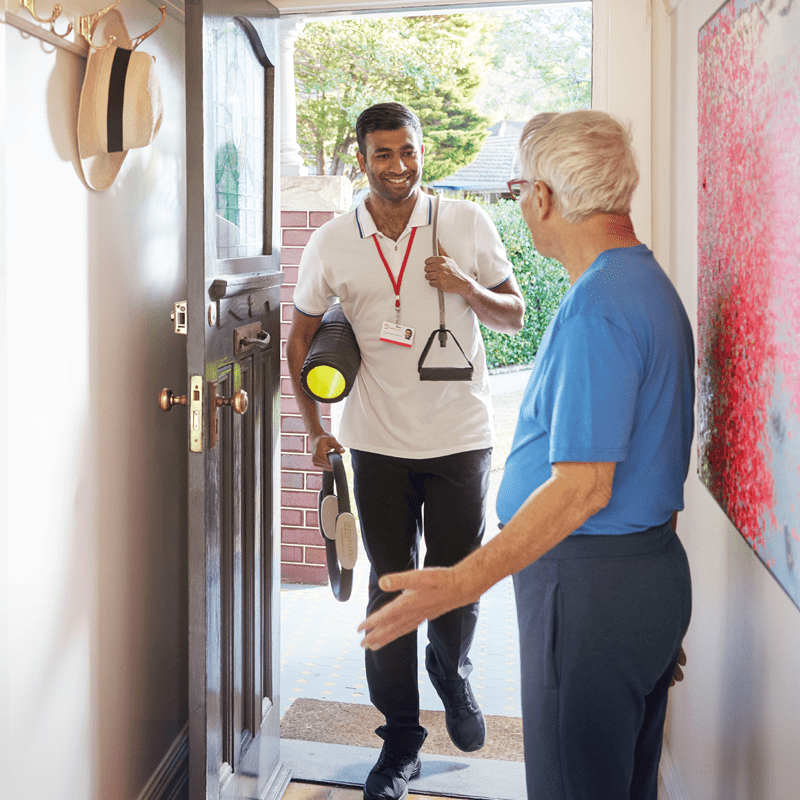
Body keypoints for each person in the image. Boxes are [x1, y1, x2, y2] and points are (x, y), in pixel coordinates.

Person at [359, 109, 694, 800]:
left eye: (517, 190)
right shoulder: (643, 283)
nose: (520, 205)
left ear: (542, 196)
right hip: (640, 577)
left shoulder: (599, 307)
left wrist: (461, 581)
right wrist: (645, 612)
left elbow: (584, 488)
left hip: (590, 587)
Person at [286, 101, 525, 800]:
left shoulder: (466, 223)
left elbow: (514, 316)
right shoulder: (333, 241)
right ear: (362, 159)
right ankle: (399, 742)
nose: (399, 166)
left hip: (460, 439)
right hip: (377, 442)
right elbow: (300, 337)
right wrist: (316, 426)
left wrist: (466, 286)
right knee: (390, 587)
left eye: (409, 151)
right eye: (384, 154)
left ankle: (451, 670)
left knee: (456, 581)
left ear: (422, 152)